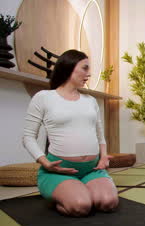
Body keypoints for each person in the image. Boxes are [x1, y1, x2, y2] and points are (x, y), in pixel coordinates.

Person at [23, 50, 119, 217]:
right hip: (58, 171)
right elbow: (28, 137)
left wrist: (103, 156)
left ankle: (80, 189)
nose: (88, 74)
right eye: (85, 68)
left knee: (108, 203)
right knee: (81, 206)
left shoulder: (90, 101)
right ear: (68, 67)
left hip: (91, 169)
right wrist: (44, 162)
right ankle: (67, 195)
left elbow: (100, 135)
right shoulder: (44, 97)